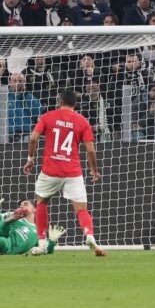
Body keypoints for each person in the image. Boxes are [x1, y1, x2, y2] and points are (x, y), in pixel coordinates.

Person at [22, 88, 105, 256]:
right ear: (76, 104)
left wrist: (30, 159)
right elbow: (90, 150)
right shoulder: (82, 121)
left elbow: (33, 138)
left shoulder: (48, 116)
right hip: (72, 172)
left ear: (59, 102)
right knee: (81, 209)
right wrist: (94, 170)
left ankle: (42, 242)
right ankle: (90, 236)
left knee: (42, 203)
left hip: (50, 171)